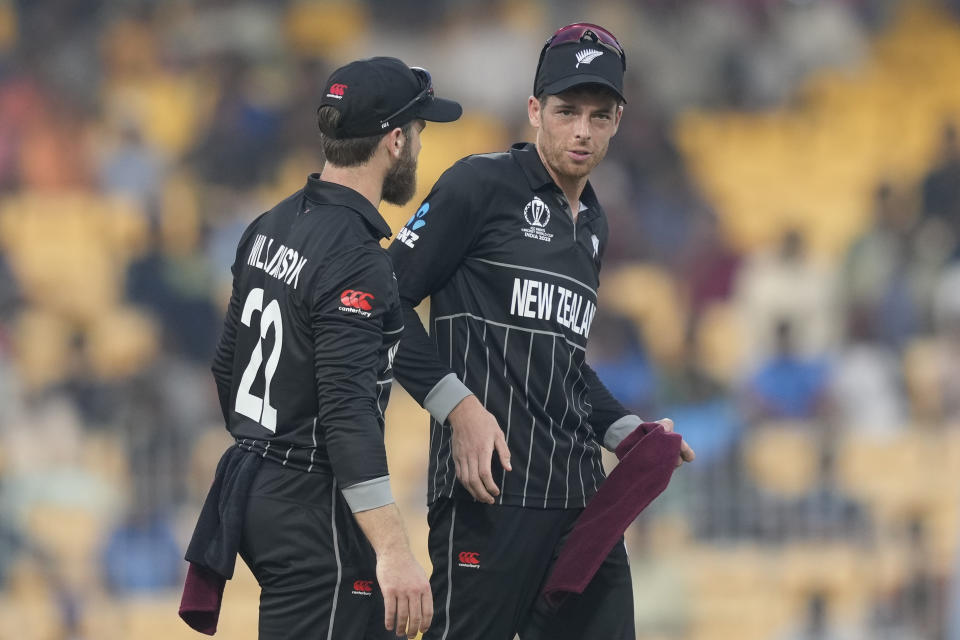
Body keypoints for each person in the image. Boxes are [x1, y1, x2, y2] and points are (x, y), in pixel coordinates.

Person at [388, 24, 695, 639]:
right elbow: (378, 304)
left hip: (579, 502)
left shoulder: (596, 224)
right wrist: (459, 409)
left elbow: (565, 362)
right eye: (566, 111)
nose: (582, 129)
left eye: (599, 115)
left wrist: (629, 432)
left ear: (617, 121)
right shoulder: (479, 184)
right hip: (491, 498)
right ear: (535, 110)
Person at [193, 57, 462, 640]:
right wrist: (392, 550)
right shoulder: (357, 257)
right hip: (312, 502)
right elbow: (345, 416)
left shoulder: (269, 224)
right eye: (417, 132)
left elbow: (224, 367)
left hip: (259, 485)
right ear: (395, 141)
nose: (416, 145)